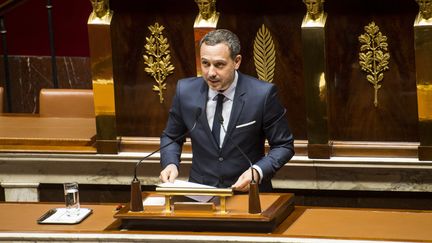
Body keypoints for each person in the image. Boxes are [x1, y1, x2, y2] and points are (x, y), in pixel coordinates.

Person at [159, 29, 294, 192]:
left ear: (236, 61)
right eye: (205, 63)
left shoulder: (262, 95)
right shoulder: (186, 91)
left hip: (249, 194)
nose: (210, 73)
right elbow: (171, 136)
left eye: (219, 65)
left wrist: (257, 171)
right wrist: (170, 163)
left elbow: (283, 145)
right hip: (200, 193)